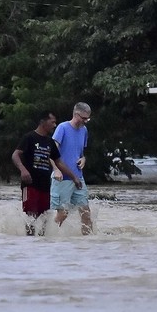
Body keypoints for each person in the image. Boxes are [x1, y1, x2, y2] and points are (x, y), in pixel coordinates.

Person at [11, 110, 80, 235]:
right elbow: (15, 155)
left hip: (45, 186)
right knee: (31, 216)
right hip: (30, 184)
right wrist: (23, 170)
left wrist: (74, 177)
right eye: (52, 122)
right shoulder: (29, 137)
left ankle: (42, 243)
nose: (54, 125)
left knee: (44, 218)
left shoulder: (50, 142)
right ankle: (29, 241)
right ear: (43, 122)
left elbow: (59, 162)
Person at [51, 101, 93, 235]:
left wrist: (83, 159)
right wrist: (56, 170)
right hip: (62, 178)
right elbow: (51, 152)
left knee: (86, 212)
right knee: (63, 213)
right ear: (76, 114)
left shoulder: (84, 130)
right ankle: (47, 236)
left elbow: (80, 152)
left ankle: (88, 241)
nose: (86, 121)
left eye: (88, 118)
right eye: (83, 118)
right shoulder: (62, 128)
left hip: (78, 178)